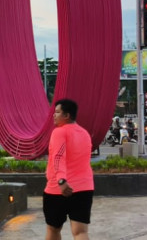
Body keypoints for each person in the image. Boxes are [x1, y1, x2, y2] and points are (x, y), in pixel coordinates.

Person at [44, 99, 94, 240]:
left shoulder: (59, 132)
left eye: (57, 112)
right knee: (80, 232)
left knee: (53, 229)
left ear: (66, 116)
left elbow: (58, 157)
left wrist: (61, 180)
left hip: (59, 189)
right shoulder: (84, 133)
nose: (54, 115)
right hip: (84, 187)